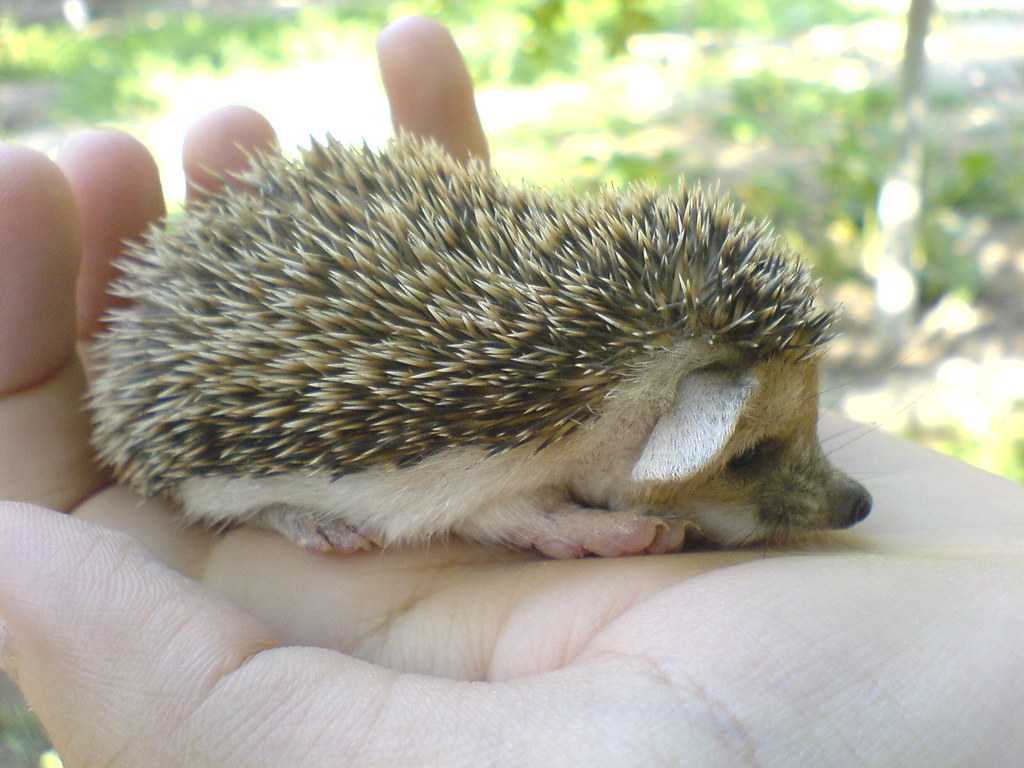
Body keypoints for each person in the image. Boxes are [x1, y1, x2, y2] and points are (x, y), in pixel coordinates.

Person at [0, 15, 1021, 768]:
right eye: (752, 455)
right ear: (665, 424)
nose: (838, 501)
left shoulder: (577, 397)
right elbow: (437, 494)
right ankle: (266, 503)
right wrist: (540, 522)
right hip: (217, 451)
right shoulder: (494, 429)